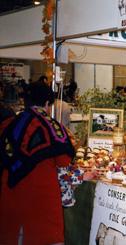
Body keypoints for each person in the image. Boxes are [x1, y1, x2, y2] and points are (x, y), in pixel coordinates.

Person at [0, 81, 75, 244]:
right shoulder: (53, 128)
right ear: (47, 103)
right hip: (41, 207)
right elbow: (64, 164)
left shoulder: (7, 125)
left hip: (9, 203)